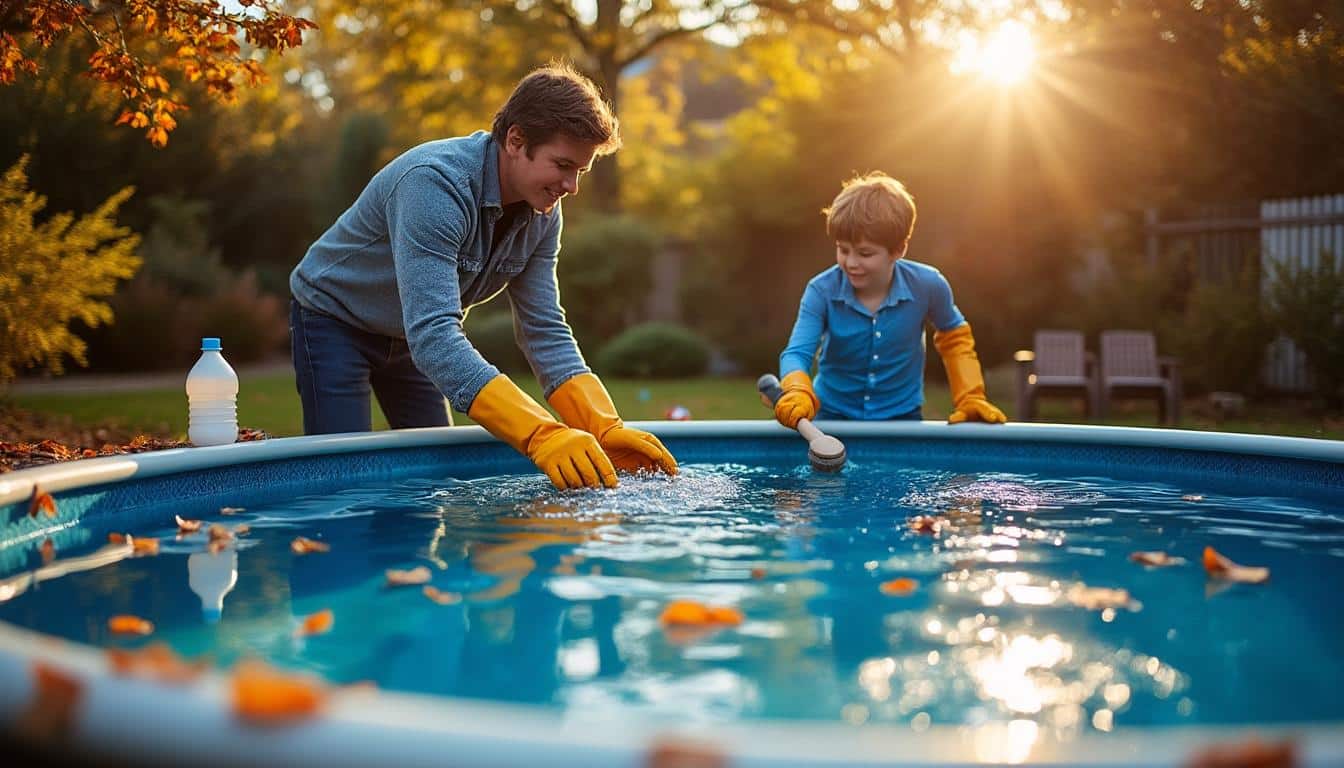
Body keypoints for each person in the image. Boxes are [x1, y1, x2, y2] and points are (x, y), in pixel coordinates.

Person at [288, 63, 677, 490]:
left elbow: (544, 329)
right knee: (341, 482)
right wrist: (540, 435)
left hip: (413, 337)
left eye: (579, 171)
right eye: (563, 165)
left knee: (432, 486)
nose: (571, 186)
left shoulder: (543, 211)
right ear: (516, 140)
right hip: (334, 321)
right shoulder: (434, 185)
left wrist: (603, 426)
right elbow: (435, 335)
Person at [773, 172, 1006, 427]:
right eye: (843, 249)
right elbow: (797, 352)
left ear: (898, 250)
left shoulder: (929, 285)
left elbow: (955, 339)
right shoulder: (821, 290)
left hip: (903, 418)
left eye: (865, 253)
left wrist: (970, 397)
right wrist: (798, 390)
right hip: (830, 416)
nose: (851, 263)